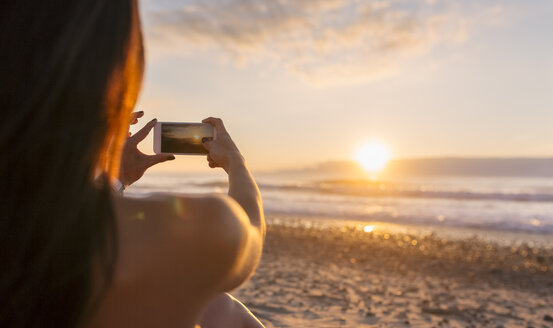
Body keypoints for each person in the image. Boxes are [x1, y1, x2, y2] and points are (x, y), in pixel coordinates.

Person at [0, 1, 265, 327]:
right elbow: (249, 232)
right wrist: (236, 163)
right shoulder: (165, 234)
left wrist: (117, 178)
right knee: (229, 314)